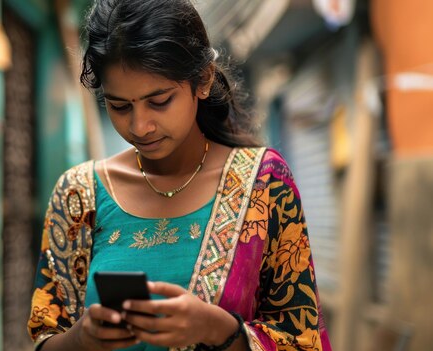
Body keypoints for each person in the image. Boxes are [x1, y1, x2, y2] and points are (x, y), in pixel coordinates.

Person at [27, 0, 333, 350]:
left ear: (201, 81)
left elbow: (304, 342)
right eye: (120, 106)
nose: (140, 126)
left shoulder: (264, 184)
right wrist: (82, 338)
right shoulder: (78, 196)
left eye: (159, 102)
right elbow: (45, 338)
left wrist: (217, 328)